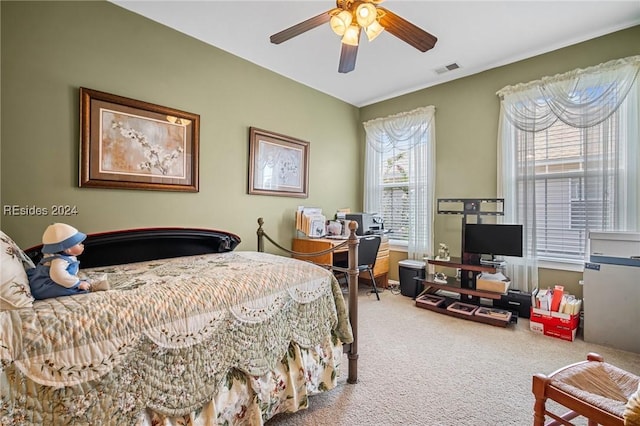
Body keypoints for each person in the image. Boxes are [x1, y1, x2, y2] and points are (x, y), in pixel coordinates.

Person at [28, 223, 109, 300]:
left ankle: (88, 284)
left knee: (71, 282)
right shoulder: (59, 260)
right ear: (68, 249)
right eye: (79, 244)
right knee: (66, 288)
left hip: (54, 281)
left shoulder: (64, 257)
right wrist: (78, 284)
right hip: (45, 287)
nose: (82, 245)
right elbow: (58, 276)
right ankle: (89, 288)